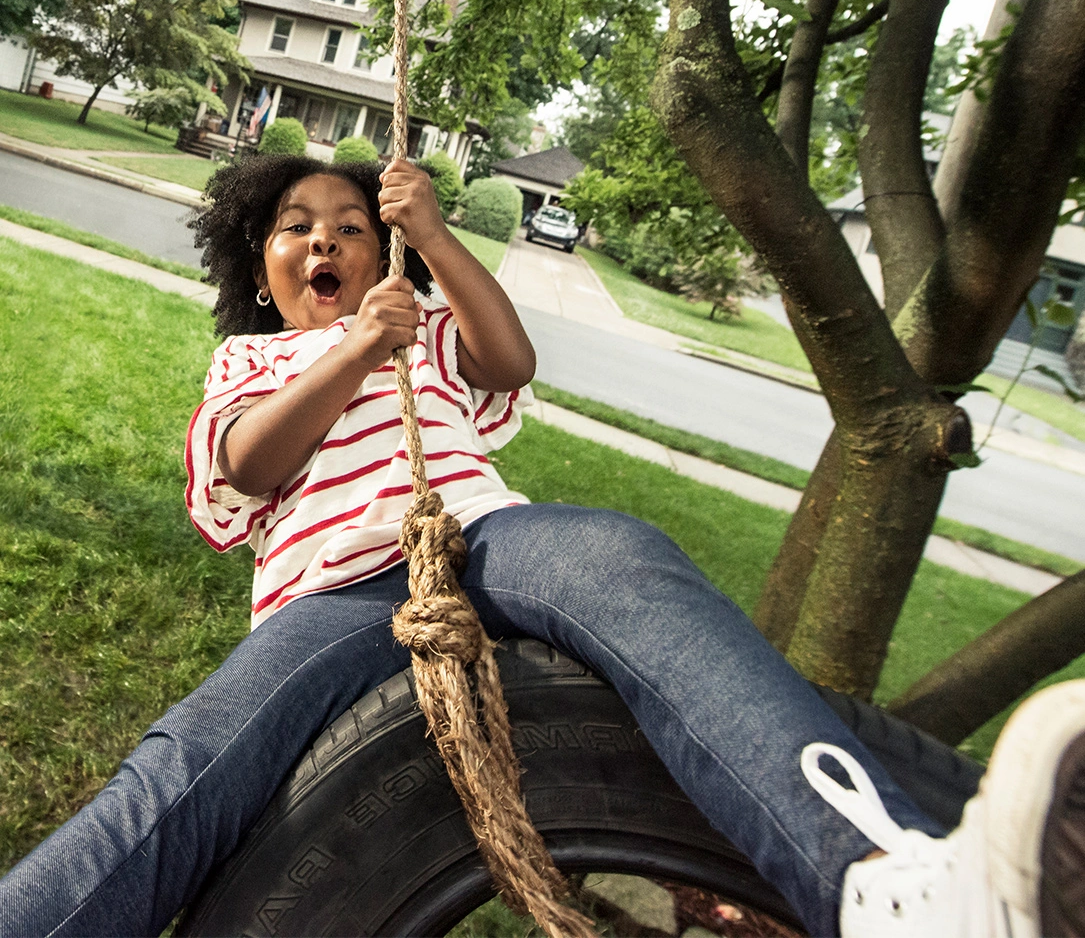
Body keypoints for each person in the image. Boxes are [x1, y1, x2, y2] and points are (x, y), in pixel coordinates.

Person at [0, 154, 1081, 938]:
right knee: (191, 765)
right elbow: (246, 463)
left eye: (350, 222)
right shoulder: (250, 361)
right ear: (262, 262)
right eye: (295, 225)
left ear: (381, 252)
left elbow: (507, 360)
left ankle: (887, 887)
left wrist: (429, 240)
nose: (325, 236)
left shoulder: (419, 329)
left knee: (622, 561)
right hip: (328, 597)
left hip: (483, 537)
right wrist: (353, 348)